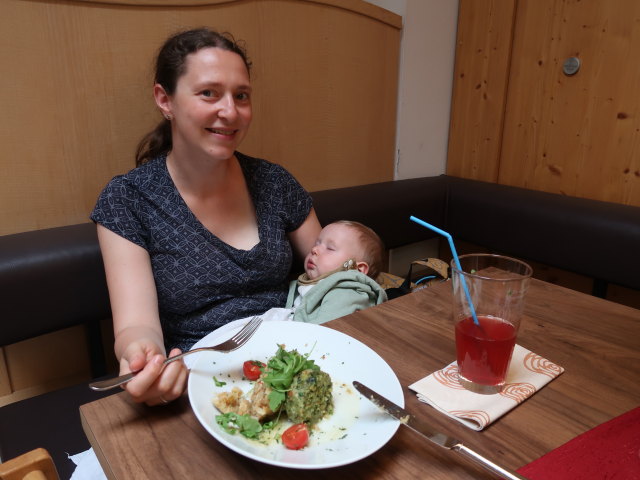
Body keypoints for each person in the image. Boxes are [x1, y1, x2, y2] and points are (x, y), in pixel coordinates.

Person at [90, 28, 321, 406]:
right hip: (201, 384)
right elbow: (136, 324)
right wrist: (143, 355)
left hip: (296, 363)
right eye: (208, 93)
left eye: (241, 96)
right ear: (165, 100)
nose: (230, 112)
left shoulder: (275, 182)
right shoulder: (128, 200)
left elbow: (329, 273)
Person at [285, 220, 387, 323]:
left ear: (356, 268)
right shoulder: (309, 283)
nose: (314, 249)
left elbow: (327, 330)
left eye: (330, 248)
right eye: (317, 243)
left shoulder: (345, 295)